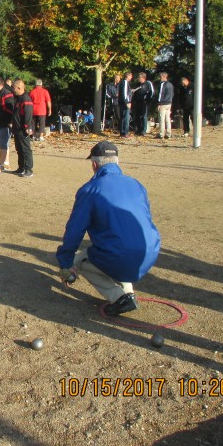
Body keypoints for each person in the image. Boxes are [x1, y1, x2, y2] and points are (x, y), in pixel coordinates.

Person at [56, 141, 161, 316]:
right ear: (117, 162)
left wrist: (65, 262)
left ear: (94, 164)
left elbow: (75, 230)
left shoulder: (90, 190)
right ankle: (128, 291)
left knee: (80, 261)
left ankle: (119, 297)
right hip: (149, 253)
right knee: (119, 246)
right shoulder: (137, 185)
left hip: (119, 256)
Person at [11, 80, 34, 177]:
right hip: (17, 128)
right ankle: (21, 167)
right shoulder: (18, 98)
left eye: (14, 88)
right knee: (19, 149)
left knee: (25, 149)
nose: (13, 90)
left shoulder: (26, 99)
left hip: (23, 129)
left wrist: (27, 126)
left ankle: (28, 169)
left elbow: (28, 114)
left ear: (19, 88)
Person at [132, 72, 154, 136]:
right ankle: (139, 129)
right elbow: (135, 93)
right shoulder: (137, 84)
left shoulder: (148, 83)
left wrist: (147, 100)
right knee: (137, 116)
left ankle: (144, 131)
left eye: (139, 77)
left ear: (143, 78)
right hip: (137, 102)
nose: (138, 79)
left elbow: (152, 92)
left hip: (144, 102)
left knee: (144, 116)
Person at [156, 72, 174, 139]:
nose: (160, 78)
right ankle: (168, 133)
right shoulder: (170, 84)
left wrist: (159, 103)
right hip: (169, 103)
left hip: (163, 103)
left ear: (163, 77)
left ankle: (161, 134)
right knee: (168, 119)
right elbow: (172, 94)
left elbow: (160, 95)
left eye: (160, 77)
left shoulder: (162, 84)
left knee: (161, 119)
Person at [117, 72, 133, 138]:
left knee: (123, 117)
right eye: (130, 76)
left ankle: (122, 132)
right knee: (126, 118)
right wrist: (127, 102)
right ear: (128, 76)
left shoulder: (122, 82)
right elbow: (124, 93)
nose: (131, 77)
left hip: (121, 102)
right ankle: (125, 133)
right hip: (125, 103)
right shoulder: (125, 82)